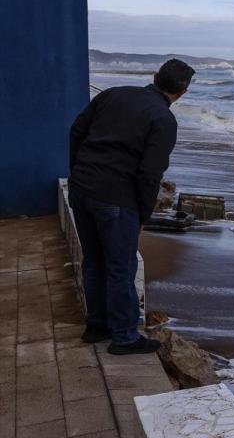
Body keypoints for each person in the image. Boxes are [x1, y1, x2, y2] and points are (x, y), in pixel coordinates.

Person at [69, 59, 194, 354]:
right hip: (116, 198)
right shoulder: (163, 120)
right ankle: (124, 337)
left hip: (83, 188)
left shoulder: (113, 94)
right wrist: (142, 214)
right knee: (120, 268)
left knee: (94, 261)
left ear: (154, 76)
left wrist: (77, 172)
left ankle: (97, 326)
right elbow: (150, 174)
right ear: (182, 92)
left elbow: (76, 132)